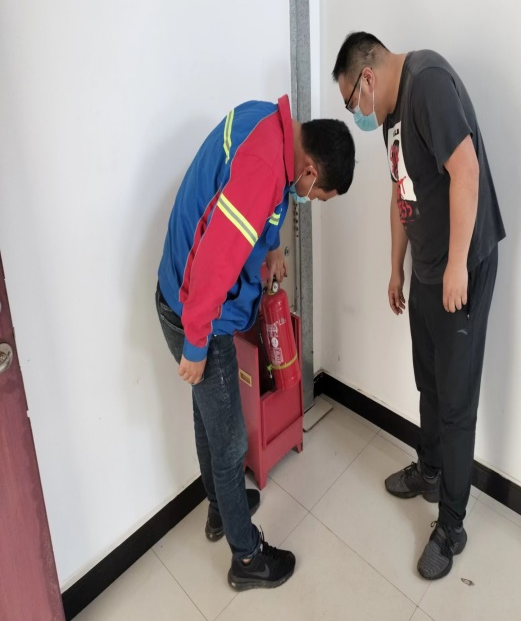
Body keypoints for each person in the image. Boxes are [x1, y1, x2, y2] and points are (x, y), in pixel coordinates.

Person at [155, 94, 355, 590]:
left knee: (208, 416)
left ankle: (219, 509)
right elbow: (214, 263)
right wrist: (196, 345)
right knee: (230, 442)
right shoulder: (267, 170)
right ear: (309, 172)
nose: (311, 200)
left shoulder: (271, 123)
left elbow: (252, 207)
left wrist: (269, 250)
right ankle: (246, 560)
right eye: (318, 195)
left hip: (184, 294)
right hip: (197, 311)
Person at [333, 33, 505, 580]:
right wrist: (396, 267)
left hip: (461, 266)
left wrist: (456, 266)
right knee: (428, 380)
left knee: (455, 402)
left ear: (367, 77)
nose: (356, 114)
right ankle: (429, 471)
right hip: (429, 266)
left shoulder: (427, 84)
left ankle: (451, 525)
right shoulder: (391, 116)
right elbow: (401, 191)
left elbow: (466, 170)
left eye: (351, 102)